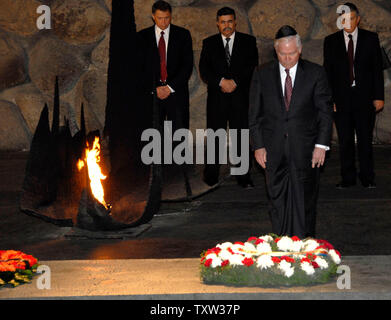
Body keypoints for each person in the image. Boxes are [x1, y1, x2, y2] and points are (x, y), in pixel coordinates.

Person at [249, 26, 333, 238]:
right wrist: (258, 145)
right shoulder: (262, 73)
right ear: (276, 51)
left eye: (292, 53)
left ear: (300, 49)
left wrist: (321, 145)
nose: (287, 59)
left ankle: (305, 247)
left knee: (305, 200)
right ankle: (281, 245)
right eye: (282, 54)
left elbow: (324, 112)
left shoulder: (315, 73)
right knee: (277, 200)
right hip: (273, 149)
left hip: (306, 149)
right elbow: (254, 114)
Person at [323, 2, 384, 189]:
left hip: (365, 98)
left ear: (358, 20)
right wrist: (330, 99)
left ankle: (368, 178)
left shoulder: (371, 39)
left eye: (351, 18)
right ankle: (348, 179)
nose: (347, 22)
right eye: (343, 19)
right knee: (345, 141)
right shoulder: (331, 41)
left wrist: (379, 96)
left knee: (365, 140)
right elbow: (328, 73)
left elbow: (377, 71)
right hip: (341, 100)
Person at [199, 7, 258, 188]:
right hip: (217, 98)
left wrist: (235, 82)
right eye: (223, 22)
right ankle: (211, 176)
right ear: (218, 23)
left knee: (240, 136)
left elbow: (252, 66)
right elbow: (204, 69)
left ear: (235, 22)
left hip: (240, 97)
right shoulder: (209, 43)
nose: (227, 25)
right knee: (215, 135)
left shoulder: (248, 41)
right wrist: (220, 82)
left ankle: (243, 177)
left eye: (230, 21)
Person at [138, 0, 193, 137]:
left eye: (167, 18)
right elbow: (139, 68)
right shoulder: (141, 37)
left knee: (179, 137)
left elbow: (187, 65)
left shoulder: (183, 35)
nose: (163, 22)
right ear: (153, 16)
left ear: (171, 16)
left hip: (177, 94)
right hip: (152, 96)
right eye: (160, 18)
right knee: (152, 138)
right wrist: (153, 88)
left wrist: (169, 87)